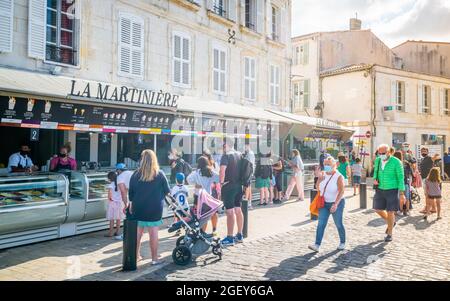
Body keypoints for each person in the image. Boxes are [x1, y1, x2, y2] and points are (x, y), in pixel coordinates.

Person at [129, 149, 170, 265]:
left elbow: (131, 193)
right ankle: (154, 259)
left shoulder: (135, 174)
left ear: (142, 160)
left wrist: (131, 203)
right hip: (155, 208)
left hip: (139, 207)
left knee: (138, 234)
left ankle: (135, 256)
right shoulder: (159, 174)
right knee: (153, 233)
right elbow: (167, 191)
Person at [308, 156, 346, 252]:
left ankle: (342, 242)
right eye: (325, 164)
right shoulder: (323, 174)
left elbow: (341, 191)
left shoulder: (339, 176)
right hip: (324, 203)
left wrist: (336, 204)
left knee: (338, 223)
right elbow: (318, 188)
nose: (326, 166)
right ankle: (317, 244)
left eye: (328, 164)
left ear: (334, 165)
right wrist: (319, 179)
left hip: (336, 203)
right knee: (321, 223)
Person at [373, 144, 405, 242]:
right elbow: (375, 172)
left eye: (383, 153)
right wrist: (375, 179)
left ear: (389, 152)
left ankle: (389, 234)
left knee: (390, 212)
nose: (381, 155)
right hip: (380, 188)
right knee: (377, 209)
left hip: (392, 189)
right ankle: (390, 222)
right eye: (380, 153)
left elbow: (400, 178)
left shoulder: (396, 162)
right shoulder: (378, 160)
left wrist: (402, 193)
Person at [187, 156, 220, 236]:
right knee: (209, 214)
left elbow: (188, 179)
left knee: (199, 215)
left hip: (198, 197)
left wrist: (196, 184)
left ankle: (201, 232)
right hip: (207, 197)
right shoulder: (211, 172)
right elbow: (219, 178)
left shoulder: (196, 172)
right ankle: (211, 230)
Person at [219, 141, 244, 246]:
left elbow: (222, 171)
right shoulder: (239, 155)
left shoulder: (226, 156)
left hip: (228, 186)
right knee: (238, 209)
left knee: (229, 212)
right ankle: (239, 234)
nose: (223, 147)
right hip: (239, 185)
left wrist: (221, 183)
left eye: (223, 145)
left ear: (226, 145)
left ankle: (229, 237)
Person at [393, 151, 412, 216]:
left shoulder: (394, 163)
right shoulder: (406, 163)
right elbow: (410, 172)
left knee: (399, 197)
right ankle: (407, 210)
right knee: (407, 197)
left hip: (397, 183)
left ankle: (400, 210)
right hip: (405, 181)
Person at [106, 171, 124, 239]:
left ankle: (110, 233)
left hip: (112, 203)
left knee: (112, 219)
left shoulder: (111, 185)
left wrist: (109, 198)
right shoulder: (119, 184)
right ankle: (117, 232)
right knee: (118, 219)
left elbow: (110, 194)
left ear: (110, 178)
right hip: (119, 203)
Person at [419, 147, 435, 214]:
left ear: (427, 152)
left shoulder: (429, 158)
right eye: (422, 151)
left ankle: (426, 208)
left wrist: (435, 156)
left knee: (427, 194)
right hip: (424, 178)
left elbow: (434, 158)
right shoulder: (423, 159)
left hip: (427, 179)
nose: (423, 152)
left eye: (425, 151)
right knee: (429, 194)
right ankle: (433, 208)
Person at [243, 144, 256, 209]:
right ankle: (249, 203)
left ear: (248, 146)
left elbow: (249, 164)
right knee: (249, 187)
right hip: (250, 172)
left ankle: (246, 202)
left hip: (248, 172)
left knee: (247, 187)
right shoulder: (250, 153)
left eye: (245, 146)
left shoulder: (250, 153)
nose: (244, 148)